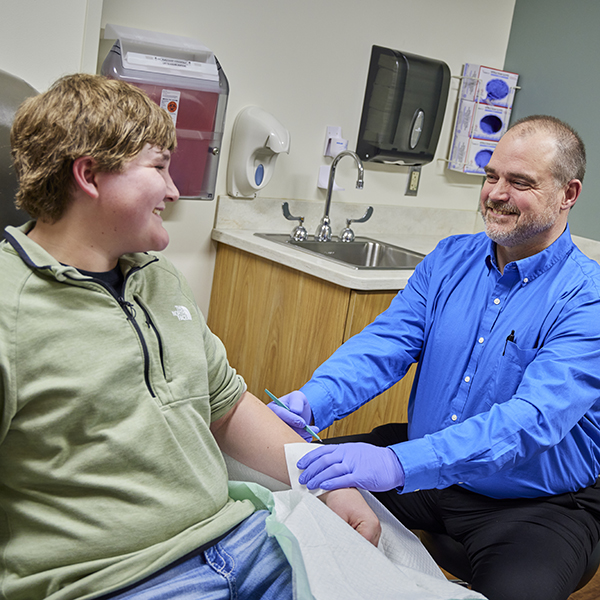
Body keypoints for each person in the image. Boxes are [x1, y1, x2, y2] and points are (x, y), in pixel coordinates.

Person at [0, 73, 380, 600]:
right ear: (89, 175)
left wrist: (329, 482)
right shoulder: (8, 308)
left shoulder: (158, 278)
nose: (175, 190)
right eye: (158, 167)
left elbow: (227, 406)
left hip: (241, 540)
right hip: (116, 579)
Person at [269, 115, 600, 600]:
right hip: (427, 467)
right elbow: (384, 346)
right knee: (288, 498)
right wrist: (314, 400)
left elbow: (530, 422)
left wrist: (399, 465)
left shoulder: (587, 299)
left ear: (567, 194)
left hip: (537, 502)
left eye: (520, 182)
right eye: (491, 177)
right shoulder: (450, 259)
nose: (496, 193)